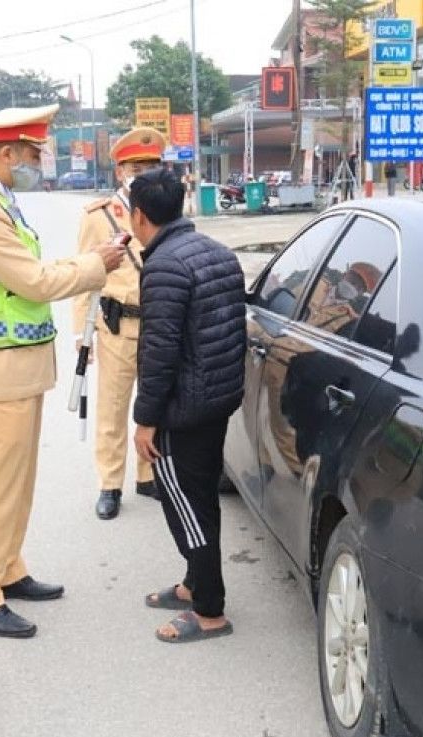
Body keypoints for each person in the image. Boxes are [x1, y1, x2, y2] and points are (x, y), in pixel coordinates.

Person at [0, 104, 125, 638]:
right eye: (30, 155)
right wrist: (96, 265)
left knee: (17, 483)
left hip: (19, 366)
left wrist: (90, 259)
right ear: (6, 153)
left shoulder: (2, 200)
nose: (36, 163)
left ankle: (7, 569)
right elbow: (33, 282)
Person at [129, 169, 247, 644]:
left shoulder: (163, 267)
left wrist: (145, 420)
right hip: (216, 400)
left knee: (186, 507)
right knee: (199, 499)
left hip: (184, 408)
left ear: (139, 215)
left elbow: (158, 352)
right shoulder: (216, 252)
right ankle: (194, 582)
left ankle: (209, 611)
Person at [72, 127, 167, 520]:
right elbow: (83, 274)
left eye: (151, 166)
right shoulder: (99, 217)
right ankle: (110, 484)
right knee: (112, 407)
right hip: (118, 326)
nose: (143, 173)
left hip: (160, 324)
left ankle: (148, 476)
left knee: (156, 404)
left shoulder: (168, 209)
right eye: (136, 167)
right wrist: (83, 333)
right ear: (120, 172)